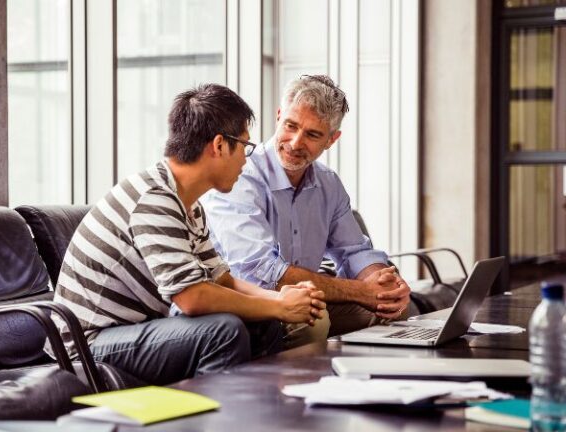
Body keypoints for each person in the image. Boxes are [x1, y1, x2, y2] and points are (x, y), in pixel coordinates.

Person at [52, 83, 326, 384]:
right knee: (224, 332)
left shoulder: (189, 204)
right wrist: (279, 305)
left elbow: (222, 279)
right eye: (245, 147)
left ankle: (261, 411)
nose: (247, 159)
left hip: (128, 333)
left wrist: (279, 301)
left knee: (265, 324)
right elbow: (191, 297)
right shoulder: (154, 198)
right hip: (87, 346)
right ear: (220, 145)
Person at [200, 75, 411, 338]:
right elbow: (262, 272)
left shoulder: (328, 184)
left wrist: (383, 284)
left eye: (312, 134)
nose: (296, 142)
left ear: (331, 140)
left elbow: (355, 251)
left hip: (306, 298)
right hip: (249, 302)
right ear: (278, 117)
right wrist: (360, 291)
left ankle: (358, 379)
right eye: (291, 125)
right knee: (314, 319)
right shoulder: (240, 175)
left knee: (393, 308)